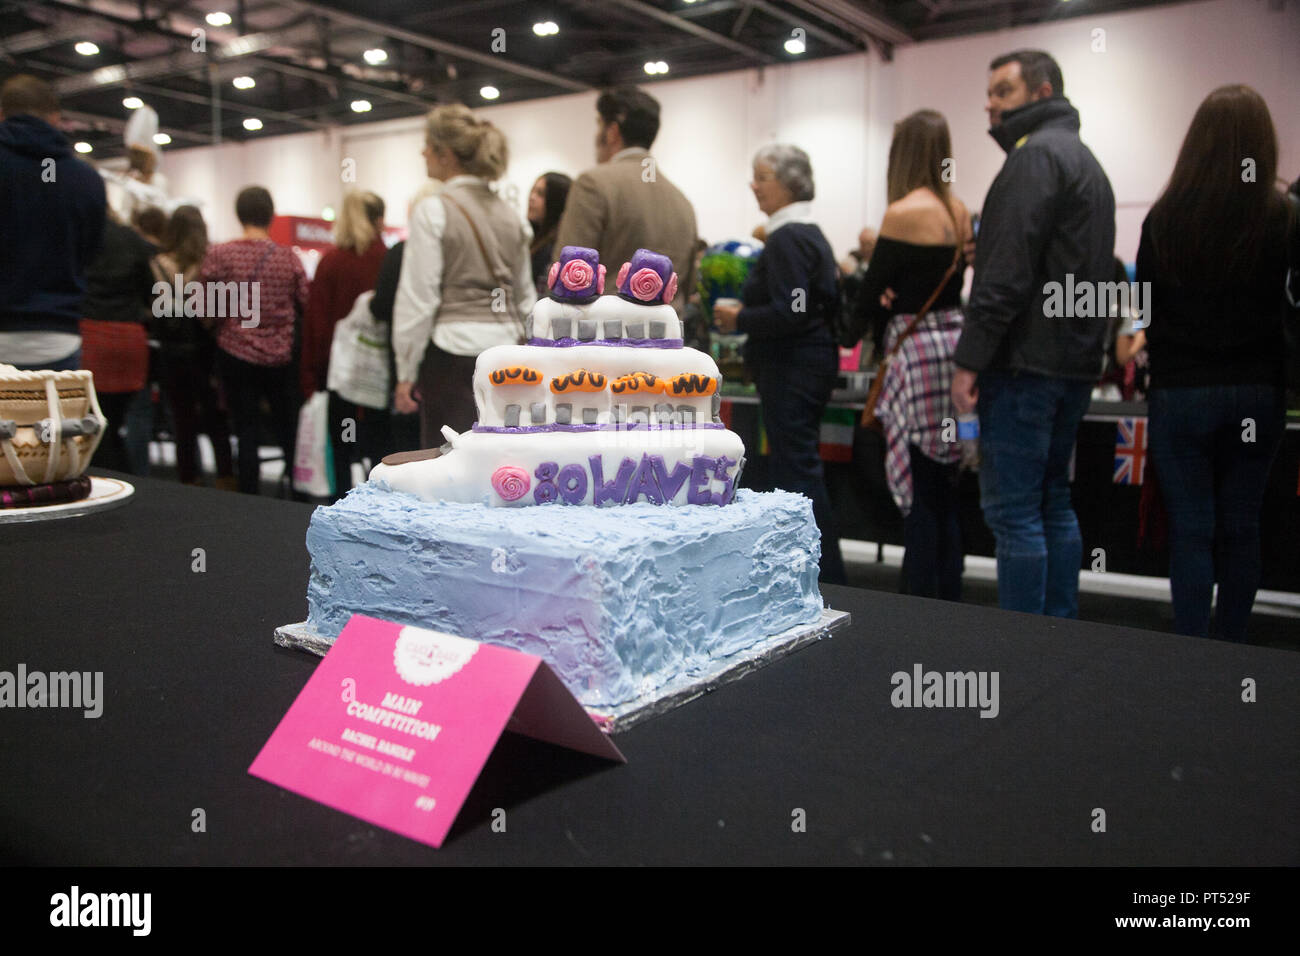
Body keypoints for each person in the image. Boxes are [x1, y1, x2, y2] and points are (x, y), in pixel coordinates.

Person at [949, 49, 1116, 618]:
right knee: (1052, 503)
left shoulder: (1034, 157)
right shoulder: (1084, 160)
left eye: (1003, 91)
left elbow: (1007, 275)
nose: (990, 104)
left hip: (1024, 366)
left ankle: (1022, 650)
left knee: (1014, 512)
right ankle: (1055, 638)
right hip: (1070, 363)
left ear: (1042, 93)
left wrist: (969, 361)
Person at [1140, 85, 1294, 642]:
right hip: (1258, 389)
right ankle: (1231, 649)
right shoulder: (1284, 216)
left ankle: (1191, 651)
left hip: (1181, 391)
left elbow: (1148, 311)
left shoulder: (1163, 218)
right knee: (1241, 526)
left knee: (1192, 531)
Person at [844, 110, 973, 601]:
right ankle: (949, 592)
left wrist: (870, 310)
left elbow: (869, 295)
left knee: (917, 486)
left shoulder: (902, 213)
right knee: (946, 483)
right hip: (953, 351)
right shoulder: (960, 212)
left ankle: (919, 597)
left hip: (915, 358)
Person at [712, 145, 846, 584]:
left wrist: (739, 318)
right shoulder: (809, 233)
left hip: (793, 367)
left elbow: (792, 312)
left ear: (788, 182)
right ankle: (821, 568)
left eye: (762, 176)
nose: (754, 185)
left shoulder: (788, 237)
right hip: (808, 364)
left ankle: (819, 570)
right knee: (800, 465)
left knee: (797, 468)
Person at [392, 105, 536, 446]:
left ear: (446, 154)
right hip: (508, 354)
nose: (422, 152)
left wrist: (405, 371)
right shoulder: (512, 215)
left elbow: (419, 299)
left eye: (427, 144)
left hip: (452, 356)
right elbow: (526, 296)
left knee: (449, 464)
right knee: (504, 459)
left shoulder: (434, 209)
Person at [199, 185, 309, 494]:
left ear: (239, 214)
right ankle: (295, 493)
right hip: (280, 357)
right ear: (271, 216)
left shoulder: (220, 254)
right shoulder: (288, 257)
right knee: (286, 427)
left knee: (245, 428)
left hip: (235, 353)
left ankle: (249, 493)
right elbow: (305, 301)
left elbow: (203, 306)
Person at [553, 87, 698, 312]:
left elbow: (565, 282)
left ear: (612, 132)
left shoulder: (593, 184)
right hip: (666, 339)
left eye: (599, 124)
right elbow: (687, 290)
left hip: (602, 340)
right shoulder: (682, 202)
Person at [0, 75, 106, 371]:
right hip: (59, 335)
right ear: (56, 118)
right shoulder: (86, 179)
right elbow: (91, 253)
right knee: (58, 419)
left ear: (1, 114)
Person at [300, 189, 389, 498]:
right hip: (382, 371)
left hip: (339, 372)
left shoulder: (330, 262)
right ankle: (381, 501)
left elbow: (317, 324)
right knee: (381, 445)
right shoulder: (386, 260)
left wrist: (314, 373)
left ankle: (341, 501)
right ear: (379, 220)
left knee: (341, 443)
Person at [150, 204, 235, 488]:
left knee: (182, 421)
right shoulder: (209, 263)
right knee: (216, 419)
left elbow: (154, 311)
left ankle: (190, 479)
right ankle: (225, 477)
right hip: (205, 353)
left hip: (171, 353)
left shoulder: (157, 263)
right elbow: (216, 314)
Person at [79, 208, 156, 473]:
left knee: (94, 428)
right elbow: (151, 293)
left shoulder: (79, 238)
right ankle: (137, 477)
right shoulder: (131, 239)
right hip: (130, 340)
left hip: (90, 338)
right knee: (127, 419)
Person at [527, 172, 572, 293]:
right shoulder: (531, 237)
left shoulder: (555, 248)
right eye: (533, 191)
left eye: (540, 194)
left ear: (556, 201)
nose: (532, 197)